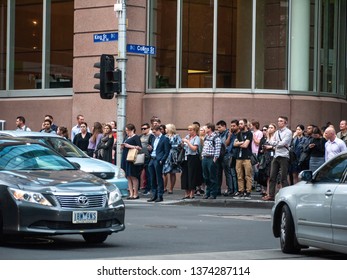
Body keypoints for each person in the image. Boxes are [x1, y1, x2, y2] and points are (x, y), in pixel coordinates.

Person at [263, 116, 293, 201]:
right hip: (276, 155)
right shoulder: (277, 132)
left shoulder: (288, 132)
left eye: (281, 121)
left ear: (285, 122)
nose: (279, 122)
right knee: (272, 176)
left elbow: (283, 143)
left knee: (283, 178)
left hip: (284, 156)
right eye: (278, 121)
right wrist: (277, 143)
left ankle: (286, 196)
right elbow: (271, 142)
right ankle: (271, 195)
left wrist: (276, 143)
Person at [147, 125, 170, 202]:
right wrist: (150, 149)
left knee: (159, 177)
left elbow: (166, 152)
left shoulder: (165, 139)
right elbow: (153, 149)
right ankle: (154, 194)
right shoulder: (153, 138)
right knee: (152, 177)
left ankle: (160, 195)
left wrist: (162, 160)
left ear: (158, 131)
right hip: (152, 158)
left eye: (154, 132)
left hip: (158, 159)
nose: (154, 134)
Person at [121, 123, 142, 200]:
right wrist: (123, 146)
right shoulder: (126, 137)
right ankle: (131, 193)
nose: (127, 132)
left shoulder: (136, 137)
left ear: (132, 130)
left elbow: (139, 147)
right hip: (125, 157)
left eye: (128, 130)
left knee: (133, 176)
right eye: (126, 130)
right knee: (128, 176)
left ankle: (135, 193)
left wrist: (129, 146)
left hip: (132, 158)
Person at [181, 124, 202, 199]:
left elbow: (194, 148)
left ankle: (192, 193)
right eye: (188, 130)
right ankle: (186, 192)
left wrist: (188, 142)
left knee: (192, 175)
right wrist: (183, 143)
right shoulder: (187, 137)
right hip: (186, 157)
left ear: (195, 130)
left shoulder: (197, 138)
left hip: (193, 157)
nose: (189, 131)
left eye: (191, 130)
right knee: (185, 175)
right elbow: (183, 146)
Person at [233, 118, 253, 199]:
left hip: (246, 157)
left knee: (247, 175)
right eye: (239, 124)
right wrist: (241, 142)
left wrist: (239, 144)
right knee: (239, 175)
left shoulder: (249, 133)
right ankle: (241, 191)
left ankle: (248, 191)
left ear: (245, 124)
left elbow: (246, 145)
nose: (239, 125)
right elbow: (234, 144)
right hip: (239, 157)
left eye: (241, 124)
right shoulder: (239, 134)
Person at [201, 123, 221, 199]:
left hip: (211, 158)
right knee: (206, 176)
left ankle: (213, 193)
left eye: (205, 128)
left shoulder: (216, 138)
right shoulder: (206, 137)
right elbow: (204, 148)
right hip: (205, 158)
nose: (204, 129)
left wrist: (214, 159)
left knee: (212, 176)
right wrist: (203, 156)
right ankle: (207, 192)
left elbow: (217, 150)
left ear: (209, 129)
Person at [163, 124, 182, 194]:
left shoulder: (176, 136)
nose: (165, 130)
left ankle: (171, 188)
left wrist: (171, 145)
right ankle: (164, 187)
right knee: (164, 172)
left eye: (166, 128)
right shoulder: (164, 136)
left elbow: (180, 144)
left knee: (172, 172)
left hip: (173, 155)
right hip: (166, 155)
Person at [258, 123, 276, 197]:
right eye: (269, 128)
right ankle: (268, 193)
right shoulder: (267, 138)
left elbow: (278, 147)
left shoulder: (276, 137)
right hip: (267, 158)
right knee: (268, 176)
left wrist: (270, 147)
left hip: (274, 157)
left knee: (275, 176)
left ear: (275, 129)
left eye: (271, 127)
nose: (269, 129)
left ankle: (274, 193)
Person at [216, 120, 232, 196]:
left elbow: (227, 144)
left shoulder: (228, 133)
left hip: (226, 155)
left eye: (219, 127)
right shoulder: (218, 134)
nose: (218, 129)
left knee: (227, 173)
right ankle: (218, 189)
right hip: (219, 155)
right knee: (218, 173)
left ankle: (230, 189)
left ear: (224, 126)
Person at [139, 123, 155, 195]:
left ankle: (149, 188)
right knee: (139, 172)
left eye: (144, 128)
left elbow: (152, 145)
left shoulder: (151, 136)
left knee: (148, 173)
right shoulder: (140, 136)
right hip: (140, 156)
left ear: (148, 129)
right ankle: (140, 187)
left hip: (147, 156)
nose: (143, 130)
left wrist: (150, 149)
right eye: (142, 128)